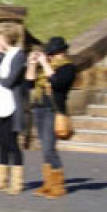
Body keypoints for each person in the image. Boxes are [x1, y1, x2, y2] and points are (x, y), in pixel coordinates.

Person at [27, 36, 77, 199]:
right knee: (44, 147)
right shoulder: (45, 67)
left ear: (61, 52)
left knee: (50, 147)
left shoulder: (67, 67)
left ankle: (58, 186)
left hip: (53, 110)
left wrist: (45, 64)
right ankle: (48, 183)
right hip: (39, 108)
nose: (51, 56)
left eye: (53, 53)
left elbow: (57, 83)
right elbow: (29, 83)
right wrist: (33, 64)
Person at [0, 27, 28, 195]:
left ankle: (17, 182)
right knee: (1, 143)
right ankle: (1, 179)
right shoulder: (4, 55)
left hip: (11, 105)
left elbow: (9, 81)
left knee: (12, 143)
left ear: (7, 38)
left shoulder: (19, 55)